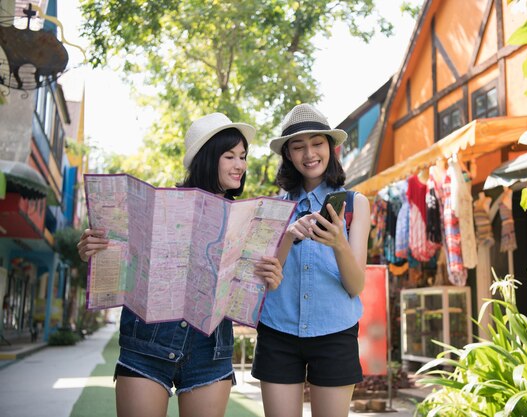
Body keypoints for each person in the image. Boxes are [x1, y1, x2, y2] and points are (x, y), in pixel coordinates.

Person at [77, 113, 284, 417]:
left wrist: (270, 278)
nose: (240, 164)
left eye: (243, 156)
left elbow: (244, 290)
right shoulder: (155, 206)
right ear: (206, 158)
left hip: (211, 349)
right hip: (146, 343)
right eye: (230, 156)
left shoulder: (248, 221)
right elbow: (123, 265)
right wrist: (92, 250)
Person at [251, 103, 371, 417]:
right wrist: (288, 235)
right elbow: (266, 279)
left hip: (335, 333)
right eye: (298, 147)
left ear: (331, 148)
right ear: (288, 154)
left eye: (317, 143)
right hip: (278, 332)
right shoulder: (272, 209)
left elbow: (356, 285)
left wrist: (338, 242)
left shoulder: (355, 204)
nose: (309, 154)